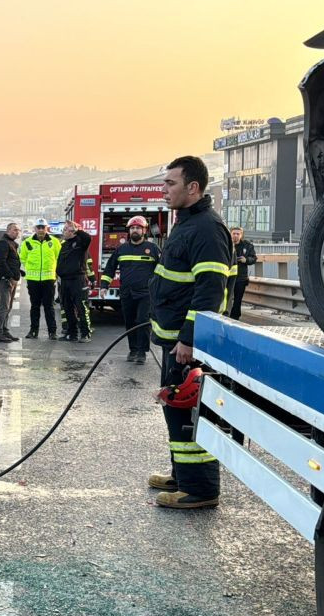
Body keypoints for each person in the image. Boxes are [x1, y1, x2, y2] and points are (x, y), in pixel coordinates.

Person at [147, 155, 232, 510]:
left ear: (193, 188)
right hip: (173, 341)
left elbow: (210, 290)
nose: (164, 189)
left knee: (187, 414)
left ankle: (199, 489)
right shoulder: (187, 223)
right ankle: (183, 475)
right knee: (175, 410)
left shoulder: (207, 229)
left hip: (186, 345)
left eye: (171, 183)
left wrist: (188, 338)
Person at [100, 216, 161, 363]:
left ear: (144, 230)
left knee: (142, 320)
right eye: (132, 228)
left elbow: (162, 270)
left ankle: (142, 352)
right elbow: (110, 268)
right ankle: (133, 350)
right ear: (129, 231)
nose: (135, 230)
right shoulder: (122, 249)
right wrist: (104, 286)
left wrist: (161, 290)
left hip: (146, 293)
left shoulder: (152, 249)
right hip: (126, 293)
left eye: (138, 228)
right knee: (129, 322)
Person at [18, 218, 61, 339]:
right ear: (35, 229)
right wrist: (26, 271)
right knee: (35, 306)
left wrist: (56, 273)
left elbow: (59, 258)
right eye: (39, 227)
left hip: (49, 279)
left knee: (49, 307)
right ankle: (33, 331)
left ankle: (52, 332)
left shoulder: (55, 242)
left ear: (47, 228)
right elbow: (22, 259)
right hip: (33, 280)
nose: (41, 230)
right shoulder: (27, 242)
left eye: (43, 227)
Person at [57, 220, 94, 343]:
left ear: (72, 231)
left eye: (65, 230)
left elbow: (88, 238)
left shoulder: (80, 243)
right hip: (65, 281)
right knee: (67, 308)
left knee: (81, 307)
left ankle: (85, 334)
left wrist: (76, 229)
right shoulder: (64, 244)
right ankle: (71, 333)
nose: (63, 232)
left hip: (78, 280)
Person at [0, 222, 21, 343]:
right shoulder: (3, 243)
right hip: (5, 279)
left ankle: (4, 330)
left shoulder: (12, 243)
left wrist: (19, 272)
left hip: (11, 279)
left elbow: (11, 261)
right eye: (15, 230)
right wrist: (9, 276)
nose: (17, 232)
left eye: (18, 230)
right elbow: (1, 262)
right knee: (4, 307)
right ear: (8, 230)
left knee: (8, 307)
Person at [228, 227, 257, 320]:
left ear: (241, 235)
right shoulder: (226, 244)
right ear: (230, 234)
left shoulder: (247, 246)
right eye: (234, 233)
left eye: (238, 234)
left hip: (241, 277)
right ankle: (225, 315)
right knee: (226, 297)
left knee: (238, 299)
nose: (236, 236)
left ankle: (235, 317)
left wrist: (246, 260)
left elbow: (254, 258)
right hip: (227, 277)